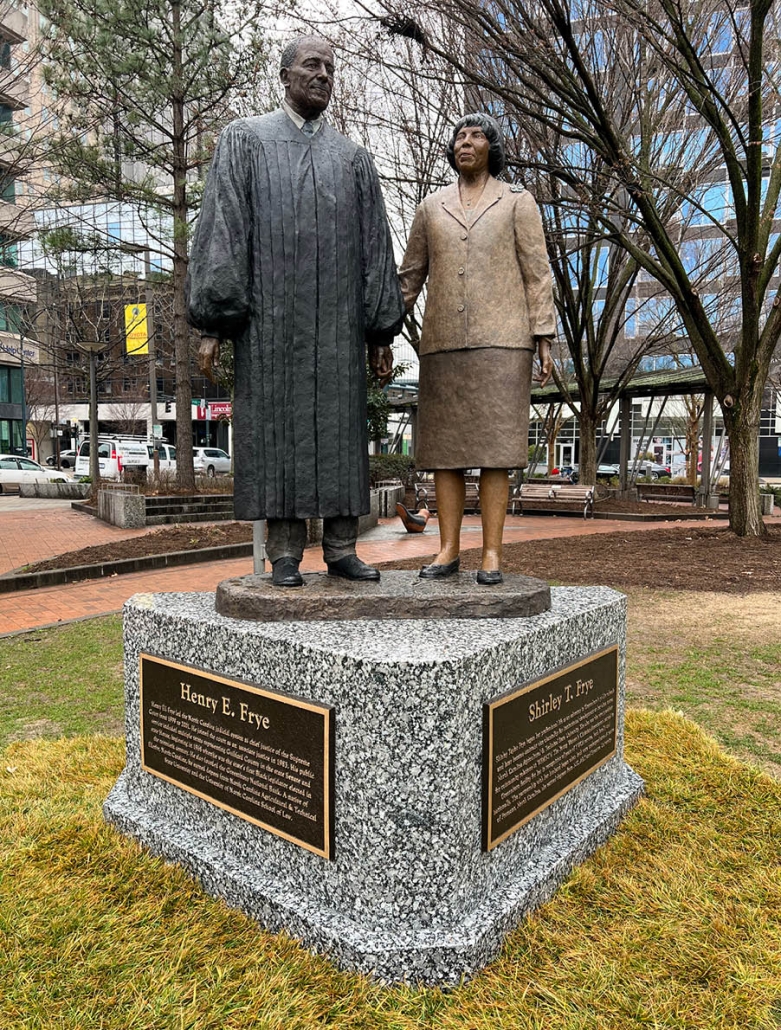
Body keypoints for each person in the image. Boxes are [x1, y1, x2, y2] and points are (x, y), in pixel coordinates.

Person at [187, 36, 404, 588]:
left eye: (331, 68)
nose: (324, 76)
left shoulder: (354, 159)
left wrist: (381, 330)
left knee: (339, 433)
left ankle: (340, 547)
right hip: (269, 326)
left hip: (336, 328)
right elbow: (224, 231)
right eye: (312, 65)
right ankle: (285, 554)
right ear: (284, 75)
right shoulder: (245, 141)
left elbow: (376, 247)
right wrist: (214, 322)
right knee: (276, 430)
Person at [399, 113, 555, 584]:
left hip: (504, 343)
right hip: (443, 341)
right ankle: (447, 549)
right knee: (445, 451)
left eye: (476, 136)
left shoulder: (517, 202)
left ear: (492, 147)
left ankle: (491, 552)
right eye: (459, 137)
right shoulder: (430, 207)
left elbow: (537, 271)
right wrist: (380, 329)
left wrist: (543, 335)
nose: (465, 143)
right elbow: (410, 277)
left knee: (495, 450)